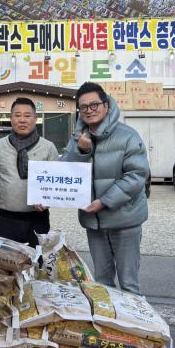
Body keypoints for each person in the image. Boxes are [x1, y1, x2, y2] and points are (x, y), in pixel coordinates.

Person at [62, 82, 149, 295]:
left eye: (94, 105)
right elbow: (66, 171)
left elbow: (137, 175)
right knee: (102, 282)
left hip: (125, 220)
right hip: (94, 223)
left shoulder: (128, 136)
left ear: (106, 105)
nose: (89, 110)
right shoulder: (78, 137)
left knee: (129, 284)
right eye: (84, 107)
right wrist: (82, 151)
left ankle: (133, 317)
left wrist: (104, 201)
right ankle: (108, 317)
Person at [0, 97, 58, 246]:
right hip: (6, 219)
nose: (22, 120)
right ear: (10, 118)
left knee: (36, 259)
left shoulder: (48, 147)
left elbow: (55, 185)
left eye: (27, 115)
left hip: (38, 218)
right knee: (6, 259)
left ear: (35, 118)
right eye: (17, 115)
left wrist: (47, 201)